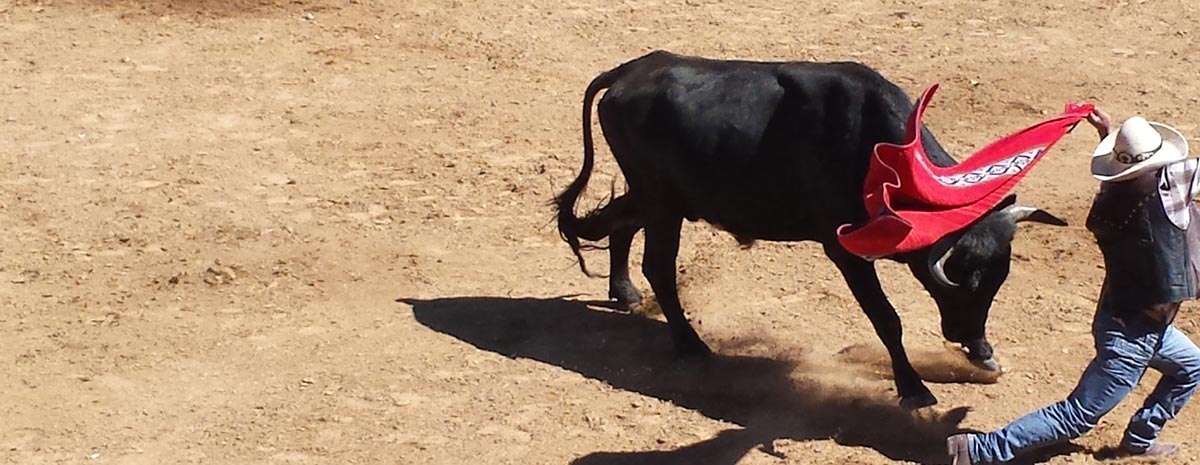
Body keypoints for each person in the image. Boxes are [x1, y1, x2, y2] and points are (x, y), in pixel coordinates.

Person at [946, 108, 1200, 464]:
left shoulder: (1111, 197)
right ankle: (978, 451)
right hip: (1132, 336)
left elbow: (1124, 176)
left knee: (1191, 367)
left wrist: (1108, 135)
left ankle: (1140, 439)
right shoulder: (1169, 190)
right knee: (1077, 415)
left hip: (1125, 316)